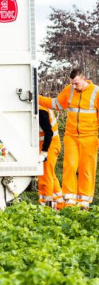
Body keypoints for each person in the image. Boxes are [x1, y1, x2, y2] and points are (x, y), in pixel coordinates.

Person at [39, 68, 99, 209]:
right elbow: (57, 104)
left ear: (84, 79)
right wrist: (38, 98)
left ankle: (84, 202)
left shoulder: (96, 92)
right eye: (72, 83)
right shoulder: (69, 90)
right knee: (70, 166)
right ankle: (70, 200)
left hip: (89, 137)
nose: (74, 86)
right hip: (71, 136)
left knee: (87, 169)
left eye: (76, 83)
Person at [38, 105, 63, 209]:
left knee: (45, 175)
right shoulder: (41, 108)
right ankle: (60, 204)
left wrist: (44, 152)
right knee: (51, 174)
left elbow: (49, 133)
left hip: (49, 146)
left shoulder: (40, 112)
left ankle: (46, 206)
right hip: (51, 144)